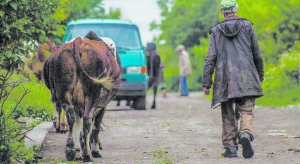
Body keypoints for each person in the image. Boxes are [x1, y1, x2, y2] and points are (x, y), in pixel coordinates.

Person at [202, 0, 264, 159]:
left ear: (222, 10)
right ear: (236, 9)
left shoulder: (216, 30)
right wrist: (259, 75)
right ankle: (245, 133)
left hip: (225, 79)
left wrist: (206, 82)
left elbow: (210, 58)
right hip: (247, 76)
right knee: (246, 110)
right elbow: (256, 53)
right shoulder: (247, 26)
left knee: (228, 112)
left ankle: (230, 147)